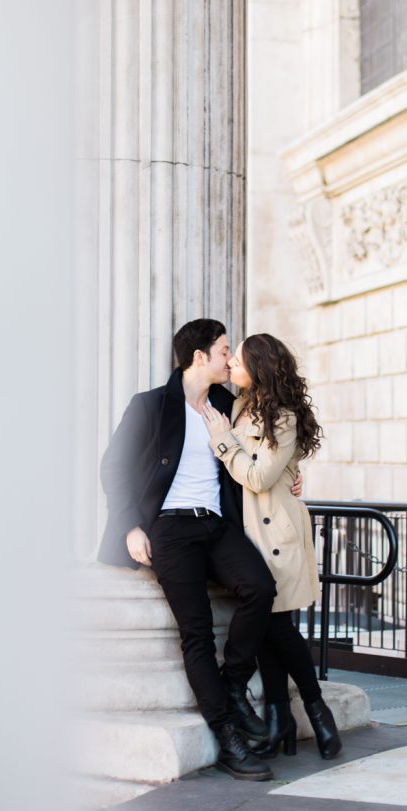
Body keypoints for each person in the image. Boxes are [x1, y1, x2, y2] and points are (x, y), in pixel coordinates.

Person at [99, 319, 289, 781]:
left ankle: (233, 684)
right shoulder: (151, 405)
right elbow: (114, 466)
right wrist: (129, 528)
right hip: (168, 529)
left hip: (218, 527)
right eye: (225, 350)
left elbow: (264, 450)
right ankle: (228, 737)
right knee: (197, 631)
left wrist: (292, 475)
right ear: (199, 357)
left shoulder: (228, 404)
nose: (230, 359)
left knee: (261, 588)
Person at [202, 332, 342, 760]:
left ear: (258, 368)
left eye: (238, 362)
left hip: (276, 532)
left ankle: (317, 710)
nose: (230, 368)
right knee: (266, 626)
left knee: (278, 627)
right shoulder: (242, 406)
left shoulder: (281, 416)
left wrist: (223, 442)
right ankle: (281, 717)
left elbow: (261, 477)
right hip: (249, 533)